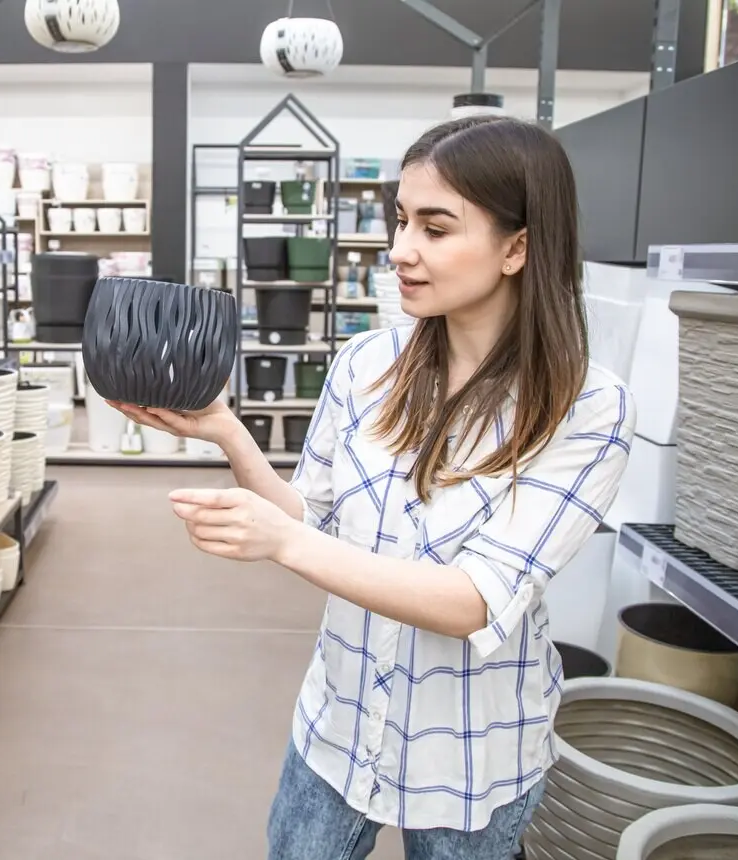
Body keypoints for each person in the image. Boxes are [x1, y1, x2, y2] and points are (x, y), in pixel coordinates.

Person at [109, 114, 635, 860]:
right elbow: (314, 518)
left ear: (517, 247)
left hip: (470, 750)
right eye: (400, 220)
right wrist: (227, 431)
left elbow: (475, 600)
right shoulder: (366, 365)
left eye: (435, 228)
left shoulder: (586, 409)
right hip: (341, 719)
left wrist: (281, 541)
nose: (400, 250)